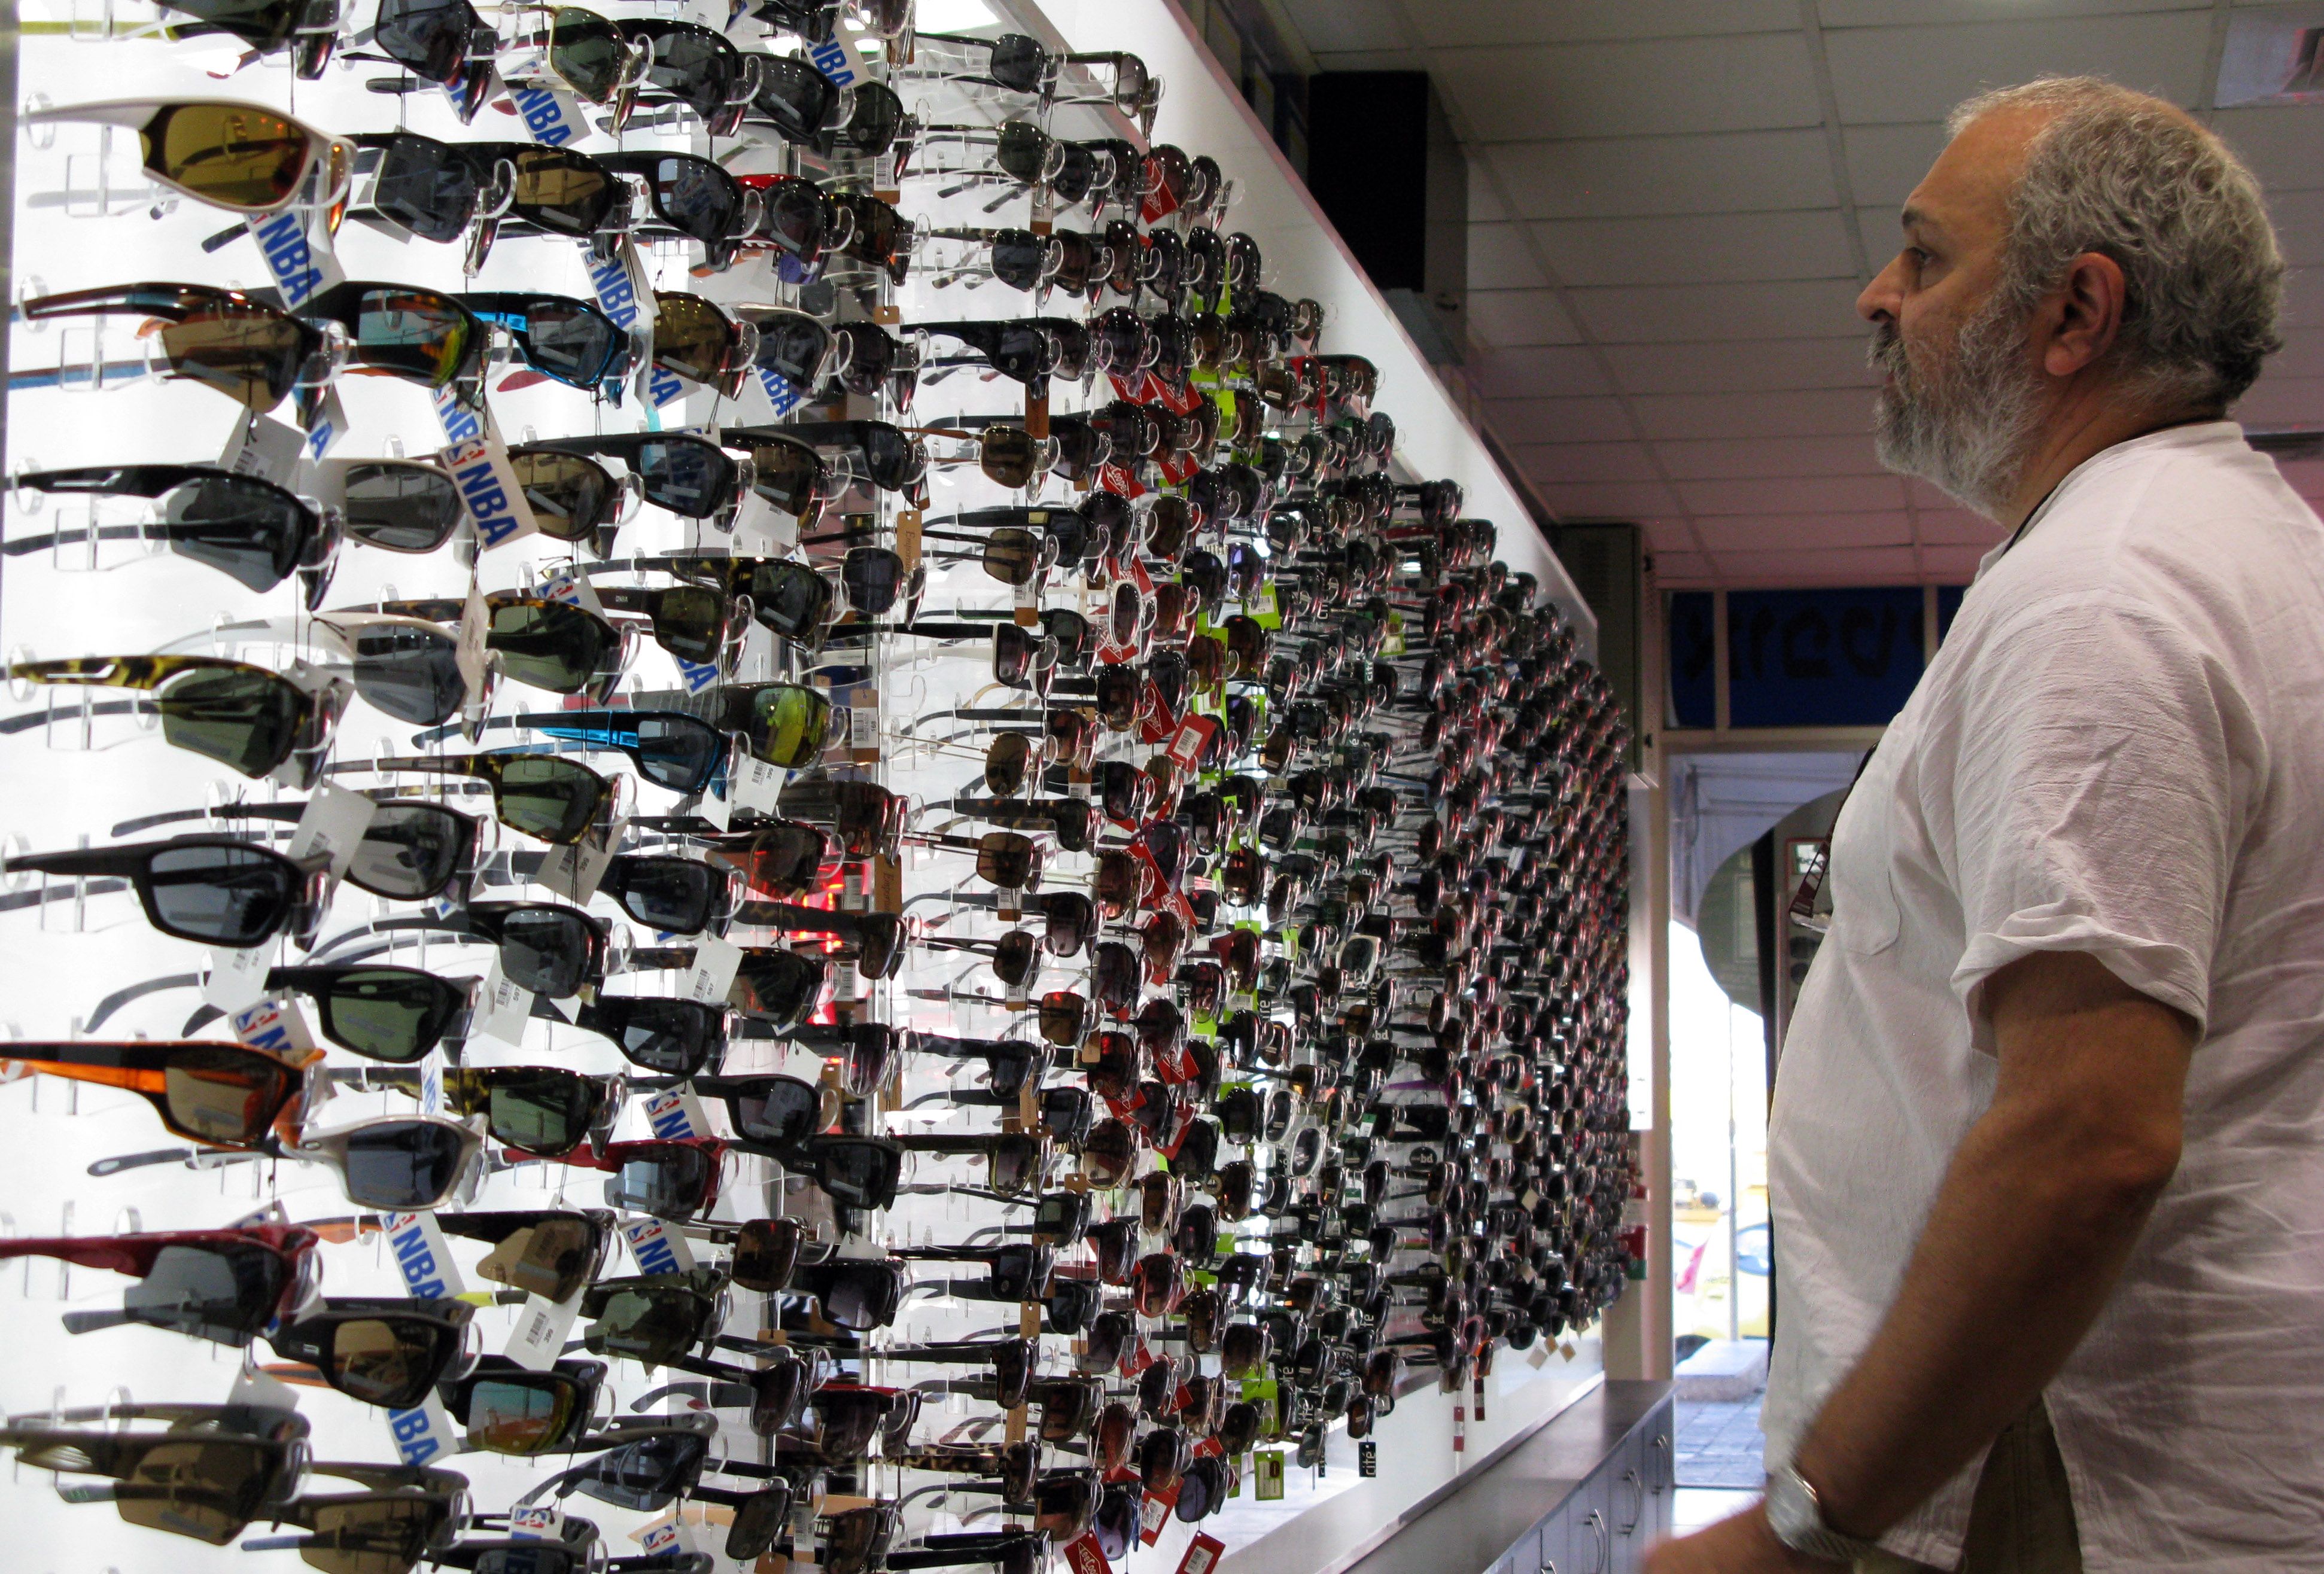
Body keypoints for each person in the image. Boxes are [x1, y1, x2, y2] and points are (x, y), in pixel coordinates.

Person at [1645, 77, 2316, 1573]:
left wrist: (1806, 1521)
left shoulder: (2103, 597)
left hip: (2067, 1470)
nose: (1875, 295)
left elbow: (2087, 1136)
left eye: (1926, 256)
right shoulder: (2240, 550)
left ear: (2075, 313)